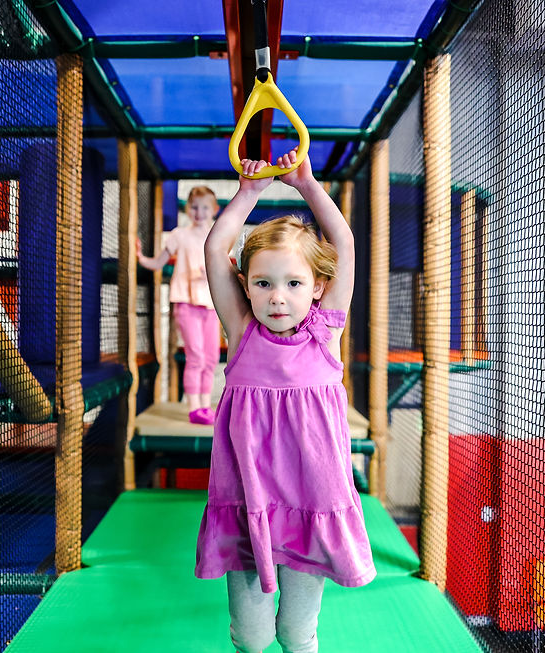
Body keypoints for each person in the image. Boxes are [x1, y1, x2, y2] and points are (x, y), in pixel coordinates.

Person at [195, 149, 375, 653]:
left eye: (293, 284)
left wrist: (307, 185)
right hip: (249, 498)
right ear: (246, 288)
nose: (278, 297)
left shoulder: (325, 332)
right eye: (263, 283)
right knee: (250, 637)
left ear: (318, 287)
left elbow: (344, 242)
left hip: (308, 501)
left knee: (298, 633)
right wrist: (247, 193)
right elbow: (215, 251)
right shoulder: (243, 331)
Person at [137, 185, 221, 425]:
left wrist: (212, 272)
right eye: (194, 207)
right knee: (195, 356)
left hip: (211, 303)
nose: (199, 212)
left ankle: (206, 406)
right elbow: (158, 263)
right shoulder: (179, 235)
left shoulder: (216, 235)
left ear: (214, 210)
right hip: (186, 301)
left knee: (211, 358)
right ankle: (194, 408)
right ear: (187, 209)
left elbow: (223, 266)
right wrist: (142, 258)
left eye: (205, 207)